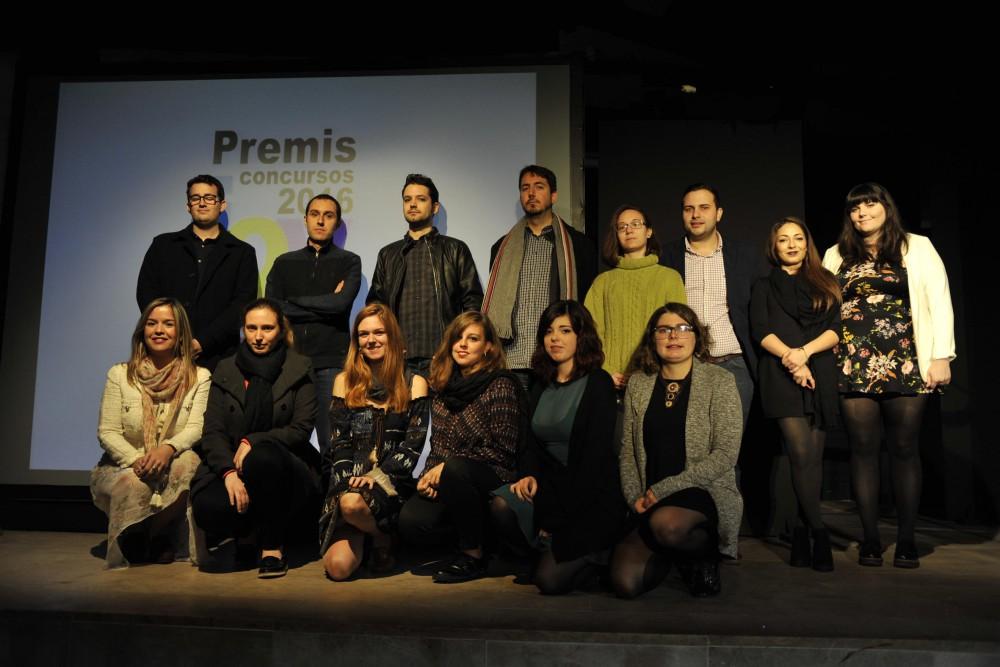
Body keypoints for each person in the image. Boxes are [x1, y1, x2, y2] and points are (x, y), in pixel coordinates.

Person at [822, 182, 955, 569]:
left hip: (907, 360)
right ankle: (870, 538)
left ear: (885, 207)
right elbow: (824, 307)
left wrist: (941, 356)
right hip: (854, 362)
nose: (862, 212)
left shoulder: (917, 246)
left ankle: (907, 539)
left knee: (904, 448)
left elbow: (939, 301)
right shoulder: (836, 254)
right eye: (855, 208)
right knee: (863, 450)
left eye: (869, 204)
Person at [613, 303, 743, 598]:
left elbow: (726, 454)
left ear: (697, 336)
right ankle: (673, 556)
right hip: (649, 494)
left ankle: (704, 556)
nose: (674, 335)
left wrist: (664, 490)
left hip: (700, 491)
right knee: (625, 583)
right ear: (653, 338)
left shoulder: (719, 381)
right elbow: (628, 451)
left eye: (683, 328)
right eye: (664, 329)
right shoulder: (639, 383)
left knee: (668, 526)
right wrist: (634, 497)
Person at [497, 300, 625, 594]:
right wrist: (528, 475)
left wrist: (553, 518)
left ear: (582, 336)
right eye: (549, 331)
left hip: (589, 495)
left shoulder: (598, 383)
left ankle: (598, 557)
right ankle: (540, 552)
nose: (555, 338)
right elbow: (530, 443)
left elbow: (593, 461)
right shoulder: (541, 383)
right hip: (549, 487)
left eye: (565, 330)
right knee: (502, 504)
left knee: (549, 582)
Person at [191, 299, 320, 578]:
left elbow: (301, 429)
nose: (259, 336)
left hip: (285, 468)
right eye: (251, 328)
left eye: (267, 328)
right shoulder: (226, 368)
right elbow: (213, 430)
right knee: (208, 507)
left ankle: (272, 546)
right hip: (234, 465)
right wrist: (228, 473)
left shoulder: (299, 366)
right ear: (243, 330)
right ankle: (247, 534)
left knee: (263, 456)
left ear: (280, 330)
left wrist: (253, 440)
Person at [397, 312, 525, 583]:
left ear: (488, 347)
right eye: (458, 338)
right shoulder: (444, 389)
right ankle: (474, 539)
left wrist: (447, 468)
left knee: (456, 468)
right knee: (412, 521)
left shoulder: (500, 384)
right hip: (454, 476)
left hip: (494, 475)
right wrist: (429, 476)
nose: (463, 344)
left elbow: (504, 451)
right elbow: (439, 445)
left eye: (473, 339)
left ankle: (472, 556)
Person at [92, 298, 211, 568]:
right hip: (123, 464)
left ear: (181, 333)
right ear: (142, 331)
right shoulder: (119, 375)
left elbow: (196, 428)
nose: (158, 330)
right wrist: (137, 460)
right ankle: (138, 538)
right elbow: (107, 431)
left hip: (171, 460)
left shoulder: (200, 376)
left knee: (189, 464)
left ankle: (152, 536)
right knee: (133, 482)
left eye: (168, 324)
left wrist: (167, 449)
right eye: (151, 323)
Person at [750, 218, 841, 571]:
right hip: (780, 374)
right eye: (783, 239)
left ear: (807, 244)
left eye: (798, 238)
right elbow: (761, 331)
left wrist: (805, 354)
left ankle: (801, 535)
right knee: (801, 454)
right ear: (774, 247)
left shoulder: (826, 281)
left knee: (813, 461)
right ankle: (820, 531)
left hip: (820, 373)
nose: (791, 244)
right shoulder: (764, 285)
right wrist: (792, 359)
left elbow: (835, 330)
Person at [319, 304, 430, 580]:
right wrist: (349, 482)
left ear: (392, 336)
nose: (371, 340)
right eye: (363, 334)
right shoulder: (344, 381)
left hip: (390, 483)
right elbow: (339, 444)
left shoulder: (414, 382)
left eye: (379, 332)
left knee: (353, 505)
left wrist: (374, 477)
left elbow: (411, 450)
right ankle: (372, 532)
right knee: (338, 568)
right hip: (349, 482)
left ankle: (380, 534)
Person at [483, 165, 597, 389]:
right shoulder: (501, 248)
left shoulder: (579, 246)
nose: (531, 193)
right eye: (525, 188)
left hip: (555, 360)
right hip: (511, 361)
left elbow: (584, 306)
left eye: (539, 187)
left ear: (553, 195)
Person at [266, 193, 361, 454]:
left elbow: (340, 305)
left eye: (328, 216)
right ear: (305, 219)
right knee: (286, 440)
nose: (320, 221)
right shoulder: (284, 262)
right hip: (290, 360)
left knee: (332, 441)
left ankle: (330, 484)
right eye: (315, 214)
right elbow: (274, 309)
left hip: (331, 362)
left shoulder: (349, 261)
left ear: (337, 223)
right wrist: (326, 301)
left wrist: (293, 302)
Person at [659, 184, 762, 423]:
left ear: (718, 213)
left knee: (730, 442)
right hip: (685, 365)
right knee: (688, 439)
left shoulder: (744, 255)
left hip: (735, 365)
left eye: (704, 207)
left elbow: (760, 310)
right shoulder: (666, 257)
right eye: (689, 209)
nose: (695, 215)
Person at [137, 174, 259, 371]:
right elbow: (146, 293)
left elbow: (242, 305)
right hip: (165, 354)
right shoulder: (163, 245)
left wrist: (202, 342)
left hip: (219, 357)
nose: (202, 203)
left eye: (209, 198)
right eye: (196, 198)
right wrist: (171, 335)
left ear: (222, 205)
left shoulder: (242, 252)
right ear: (188, 206)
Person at [367, 174, 483, 377]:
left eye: (421, 199)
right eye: (407, 199)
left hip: (444, 357)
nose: (412, 204)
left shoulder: (455, 249)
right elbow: (376, 307)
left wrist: (457, 347)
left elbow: (472, 303)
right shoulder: (388, 254)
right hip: (399, 360)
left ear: (435, 207)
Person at [584, 205, 686, 390]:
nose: (628, 230)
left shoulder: (670, 278)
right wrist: (605, 371)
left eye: (635, 224)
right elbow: (590, 333)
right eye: (622, 226)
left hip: (656, 379)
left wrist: (654, 372)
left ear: (649, 231)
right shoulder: (602, 282)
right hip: (610, 380)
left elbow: (678, 333)